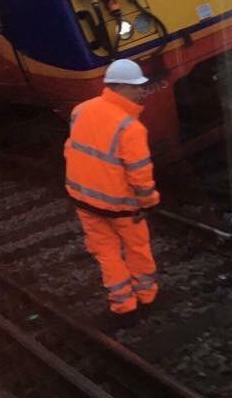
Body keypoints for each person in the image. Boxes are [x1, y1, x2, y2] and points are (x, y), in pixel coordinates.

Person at [64, 59, 161, 320]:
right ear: (119, 87)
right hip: (122, 207)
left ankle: (123, 304)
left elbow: (72, 149)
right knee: (137, 249)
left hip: (83, 200)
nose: (142, 91)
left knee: (106, 253)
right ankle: (147, 296)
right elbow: (140, 175)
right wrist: (148, 203)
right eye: (136, 87)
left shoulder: (81, 110)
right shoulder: (131, 128)